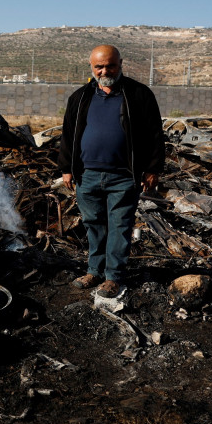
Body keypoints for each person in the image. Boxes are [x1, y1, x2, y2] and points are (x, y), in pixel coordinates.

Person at [58, 45, 165, 298]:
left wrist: (152, 169)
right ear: (91, 67)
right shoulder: (80, 97)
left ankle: (113, 277)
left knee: (120, 226)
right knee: (94, 225)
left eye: (110, 66)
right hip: (87, 175)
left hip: (123, 176)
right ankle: (94, 271)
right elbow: (68, 134)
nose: (105, 71)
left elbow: (155, 134)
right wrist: (66, 168)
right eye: (99, 67)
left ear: (120, 64)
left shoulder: (139, 94)